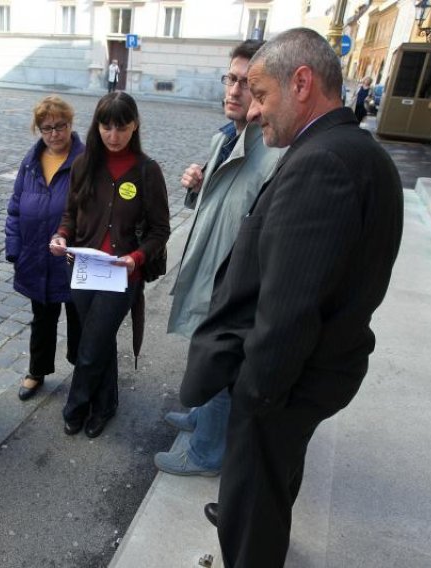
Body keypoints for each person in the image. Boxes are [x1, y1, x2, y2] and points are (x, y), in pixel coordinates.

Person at [180, 28, 403, 567]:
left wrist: (252, 402)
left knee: (254, 502)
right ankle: (251, 509)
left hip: (285, 384)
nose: (253, 112)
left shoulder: (323, 163)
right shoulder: (351, 150)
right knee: (271, 480)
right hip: (317, 371)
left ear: (301, 83)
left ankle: (250, 531)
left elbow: (288, 311)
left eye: (260, 94)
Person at [155, 40, 284, 477]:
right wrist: (196, 184)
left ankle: (207, 452)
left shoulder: (273, 151)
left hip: (233, 284)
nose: (233, 90)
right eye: (230, 79)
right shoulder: (225, 137)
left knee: (222, 363)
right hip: (209, 270)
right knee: (204, 354)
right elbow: (215, 206)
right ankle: (201, 421)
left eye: (247, 84)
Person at [50, 92, 170, 438]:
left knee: (90, 346)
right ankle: (106, 404)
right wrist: (61, 236)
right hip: (84, 266)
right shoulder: (84, 164)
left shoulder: (147, 171)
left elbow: (160, 229)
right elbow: (71, 214)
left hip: (122, 272)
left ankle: (76, 406)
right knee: (97, 339)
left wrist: (135, 258)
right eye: (107, 126)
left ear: (135, 126)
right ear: (97, 125)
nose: (113, 135)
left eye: (121, 127)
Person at [5, 95, 84, 401]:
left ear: (70, 124)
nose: (53, 134)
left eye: (59, 126)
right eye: (46, 128)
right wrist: (15, 249)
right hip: (36, 257)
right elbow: (14, 208)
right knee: (42, 319)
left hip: (72, 258)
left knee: (78, 319)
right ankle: (37, 371)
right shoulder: (31, 162)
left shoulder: (85, 160)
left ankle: (81, 371)